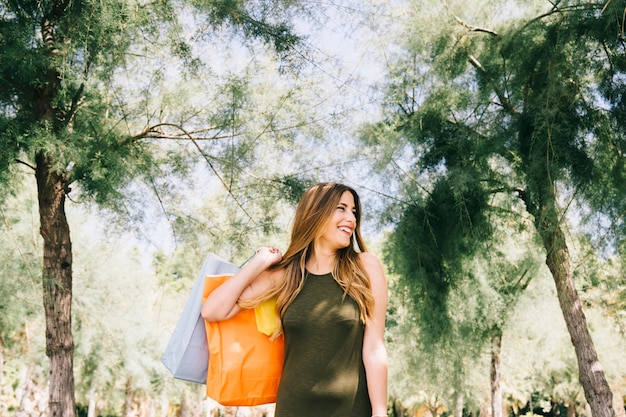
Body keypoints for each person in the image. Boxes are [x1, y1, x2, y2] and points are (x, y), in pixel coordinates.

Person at [201, 182, 388, 417]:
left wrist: (380, 412)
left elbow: (374, 347)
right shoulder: (286, 275)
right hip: (294, 408)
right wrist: (259, 263)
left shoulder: (365, 267)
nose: (351, 218)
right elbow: (213, 310)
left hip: (352, 409)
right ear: (315, 213)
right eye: (341, 208)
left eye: (353, 211)